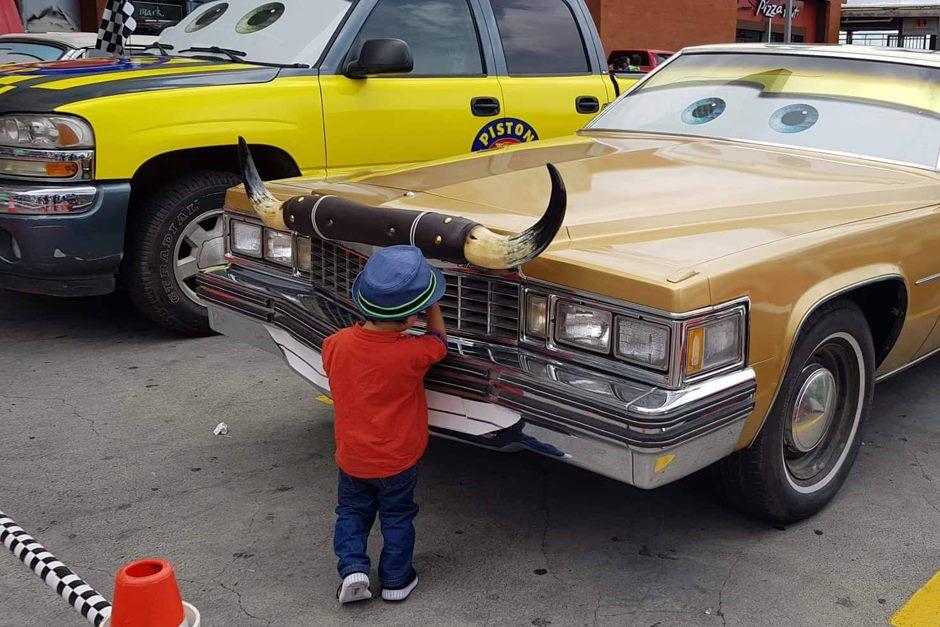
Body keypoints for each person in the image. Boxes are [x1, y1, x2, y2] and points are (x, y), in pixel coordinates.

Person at [321, 245, 448, 605]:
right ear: (412, 316)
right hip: (398, 460)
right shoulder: (413, 352)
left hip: (353, 458)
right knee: (397, 517)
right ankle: (396, 580)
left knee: (351, 513)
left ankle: (353, 570)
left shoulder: (335, 345)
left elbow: (346, 357)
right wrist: (433, 305)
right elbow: (439, 342)